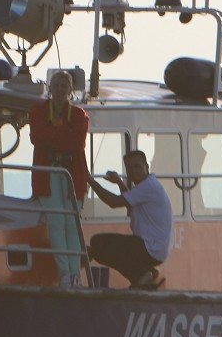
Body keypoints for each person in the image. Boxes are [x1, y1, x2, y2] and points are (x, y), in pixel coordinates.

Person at [29, 71, 89, 287]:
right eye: (57, 84)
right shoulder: (38, 111)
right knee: (57, 222)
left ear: (70, 89)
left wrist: (55, 133)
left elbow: (75, 143)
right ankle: (65, 273)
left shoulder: (80, 115)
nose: (60, 89)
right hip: (49, 174)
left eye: (64, 85)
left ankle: (75, 274)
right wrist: (63, 132)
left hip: (73, 175)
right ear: (50, 87)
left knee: (72, 224)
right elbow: (37, 137)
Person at [86, 150, 173, 289]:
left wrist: (89, 180)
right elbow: (130, 202)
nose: (133, 171)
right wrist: (119, 182)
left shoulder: (149, 186)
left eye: (137, 167)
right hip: (155, 249)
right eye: (129, 168)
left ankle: (141, 274)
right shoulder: (147, 186)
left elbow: (113, 202)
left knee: (98, 242)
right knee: (98, 251)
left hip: (150, 248)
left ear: (147, 167)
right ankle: (146, 272)